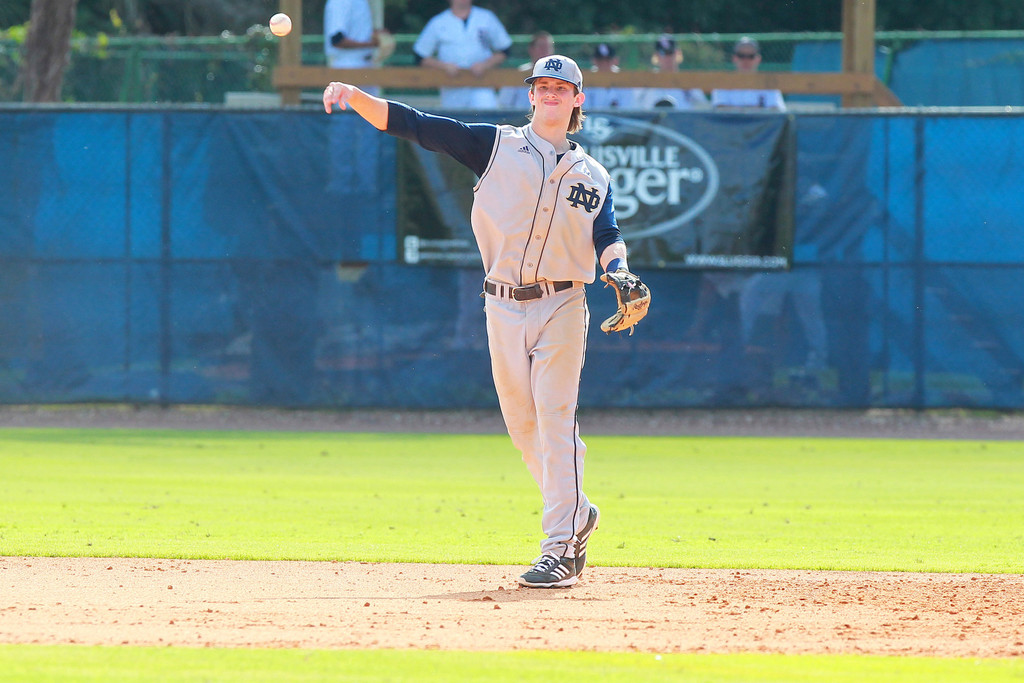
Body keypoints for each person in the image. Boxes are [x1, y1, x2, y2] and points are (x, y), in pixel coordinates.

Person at [324, 54, 648, 587]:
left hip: (564, 303)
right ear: (531, 95)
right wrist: (357, 97)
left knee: (555, 418)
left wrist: (620, 271)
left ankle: (560, 546)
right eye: (542, 86)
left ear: (578, 99)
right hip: (502, 304)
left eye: (560, 87)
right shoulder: (494, 145)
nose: (550, 93)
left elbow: (607, 235)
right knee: (523, 428)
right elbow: (418, 125)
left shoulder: (594, 174)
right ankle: (577, 511)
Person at [412, 0, 512, 109]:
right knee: (453, 118)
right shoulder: (438, 22)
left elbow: (505, 50)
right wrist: (443, 66)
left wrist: (485, 65)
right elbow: (420, 56)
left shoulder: (486, 18)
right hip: (451, 86)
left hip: (482, 83)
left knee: (486, 115)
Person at [323, 0, 392, 94]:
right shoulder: (340, 2)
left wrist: (376, 34)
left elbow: (358, 31)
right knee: (347, 103)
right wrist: (372, 43)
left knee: (371, 103)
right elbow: (337, 39)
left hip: (367, 65)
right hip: (348, 65)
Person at [710, 37, 786, 111]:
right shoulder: (723, 82)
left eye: (751, 56)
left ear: (758, 59)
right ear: (734, 58)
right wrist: (755, 110)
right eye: (741, 56)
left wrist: (739, 110)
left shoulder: (768, 83)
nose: (746, 60)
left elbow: (775, 110)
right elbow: (720, 109)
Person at [634, 34, 708, 110]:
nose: (668, 58)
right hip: (652, 117)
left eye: (670, 53)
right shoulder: (647, 81)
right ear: (656, 56)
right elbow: (634, 105)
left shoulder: (687, 81)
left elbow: (703, 108)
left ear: (678, 54)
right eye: (663, 53)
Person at [496, 31, 555, 110]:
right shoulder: (517, 75)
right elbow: (503, 105)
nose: (545, 51)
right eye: (541, 46)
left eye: (548, 47)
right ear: (531, 49)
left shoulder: (558, 77)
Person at [585, 42, 636, 110]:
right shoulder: (588, 79)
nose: (604, 63)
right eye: (600, 60)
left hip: (619, 116)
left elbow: (628, 107)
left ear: (615, 60)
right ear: (594, 60)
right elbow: (585, 108)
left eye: (608, 60)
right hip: (593, 116)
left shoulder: (623, 79)